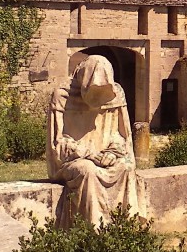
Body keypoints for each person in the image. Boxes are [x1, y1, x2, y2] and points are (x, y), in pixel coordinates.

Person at [48, 55, 144, 227]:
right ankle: (94, 230)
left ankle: (125, 227)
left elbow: (120, 135)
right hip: (73, 160)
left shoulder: (116, 94)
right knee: (87, 170)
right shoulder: (62, 96)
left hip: (104, 157)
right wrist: (88, 154)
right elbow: (58, 143)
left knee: (126, 166)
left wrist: (112, 153)